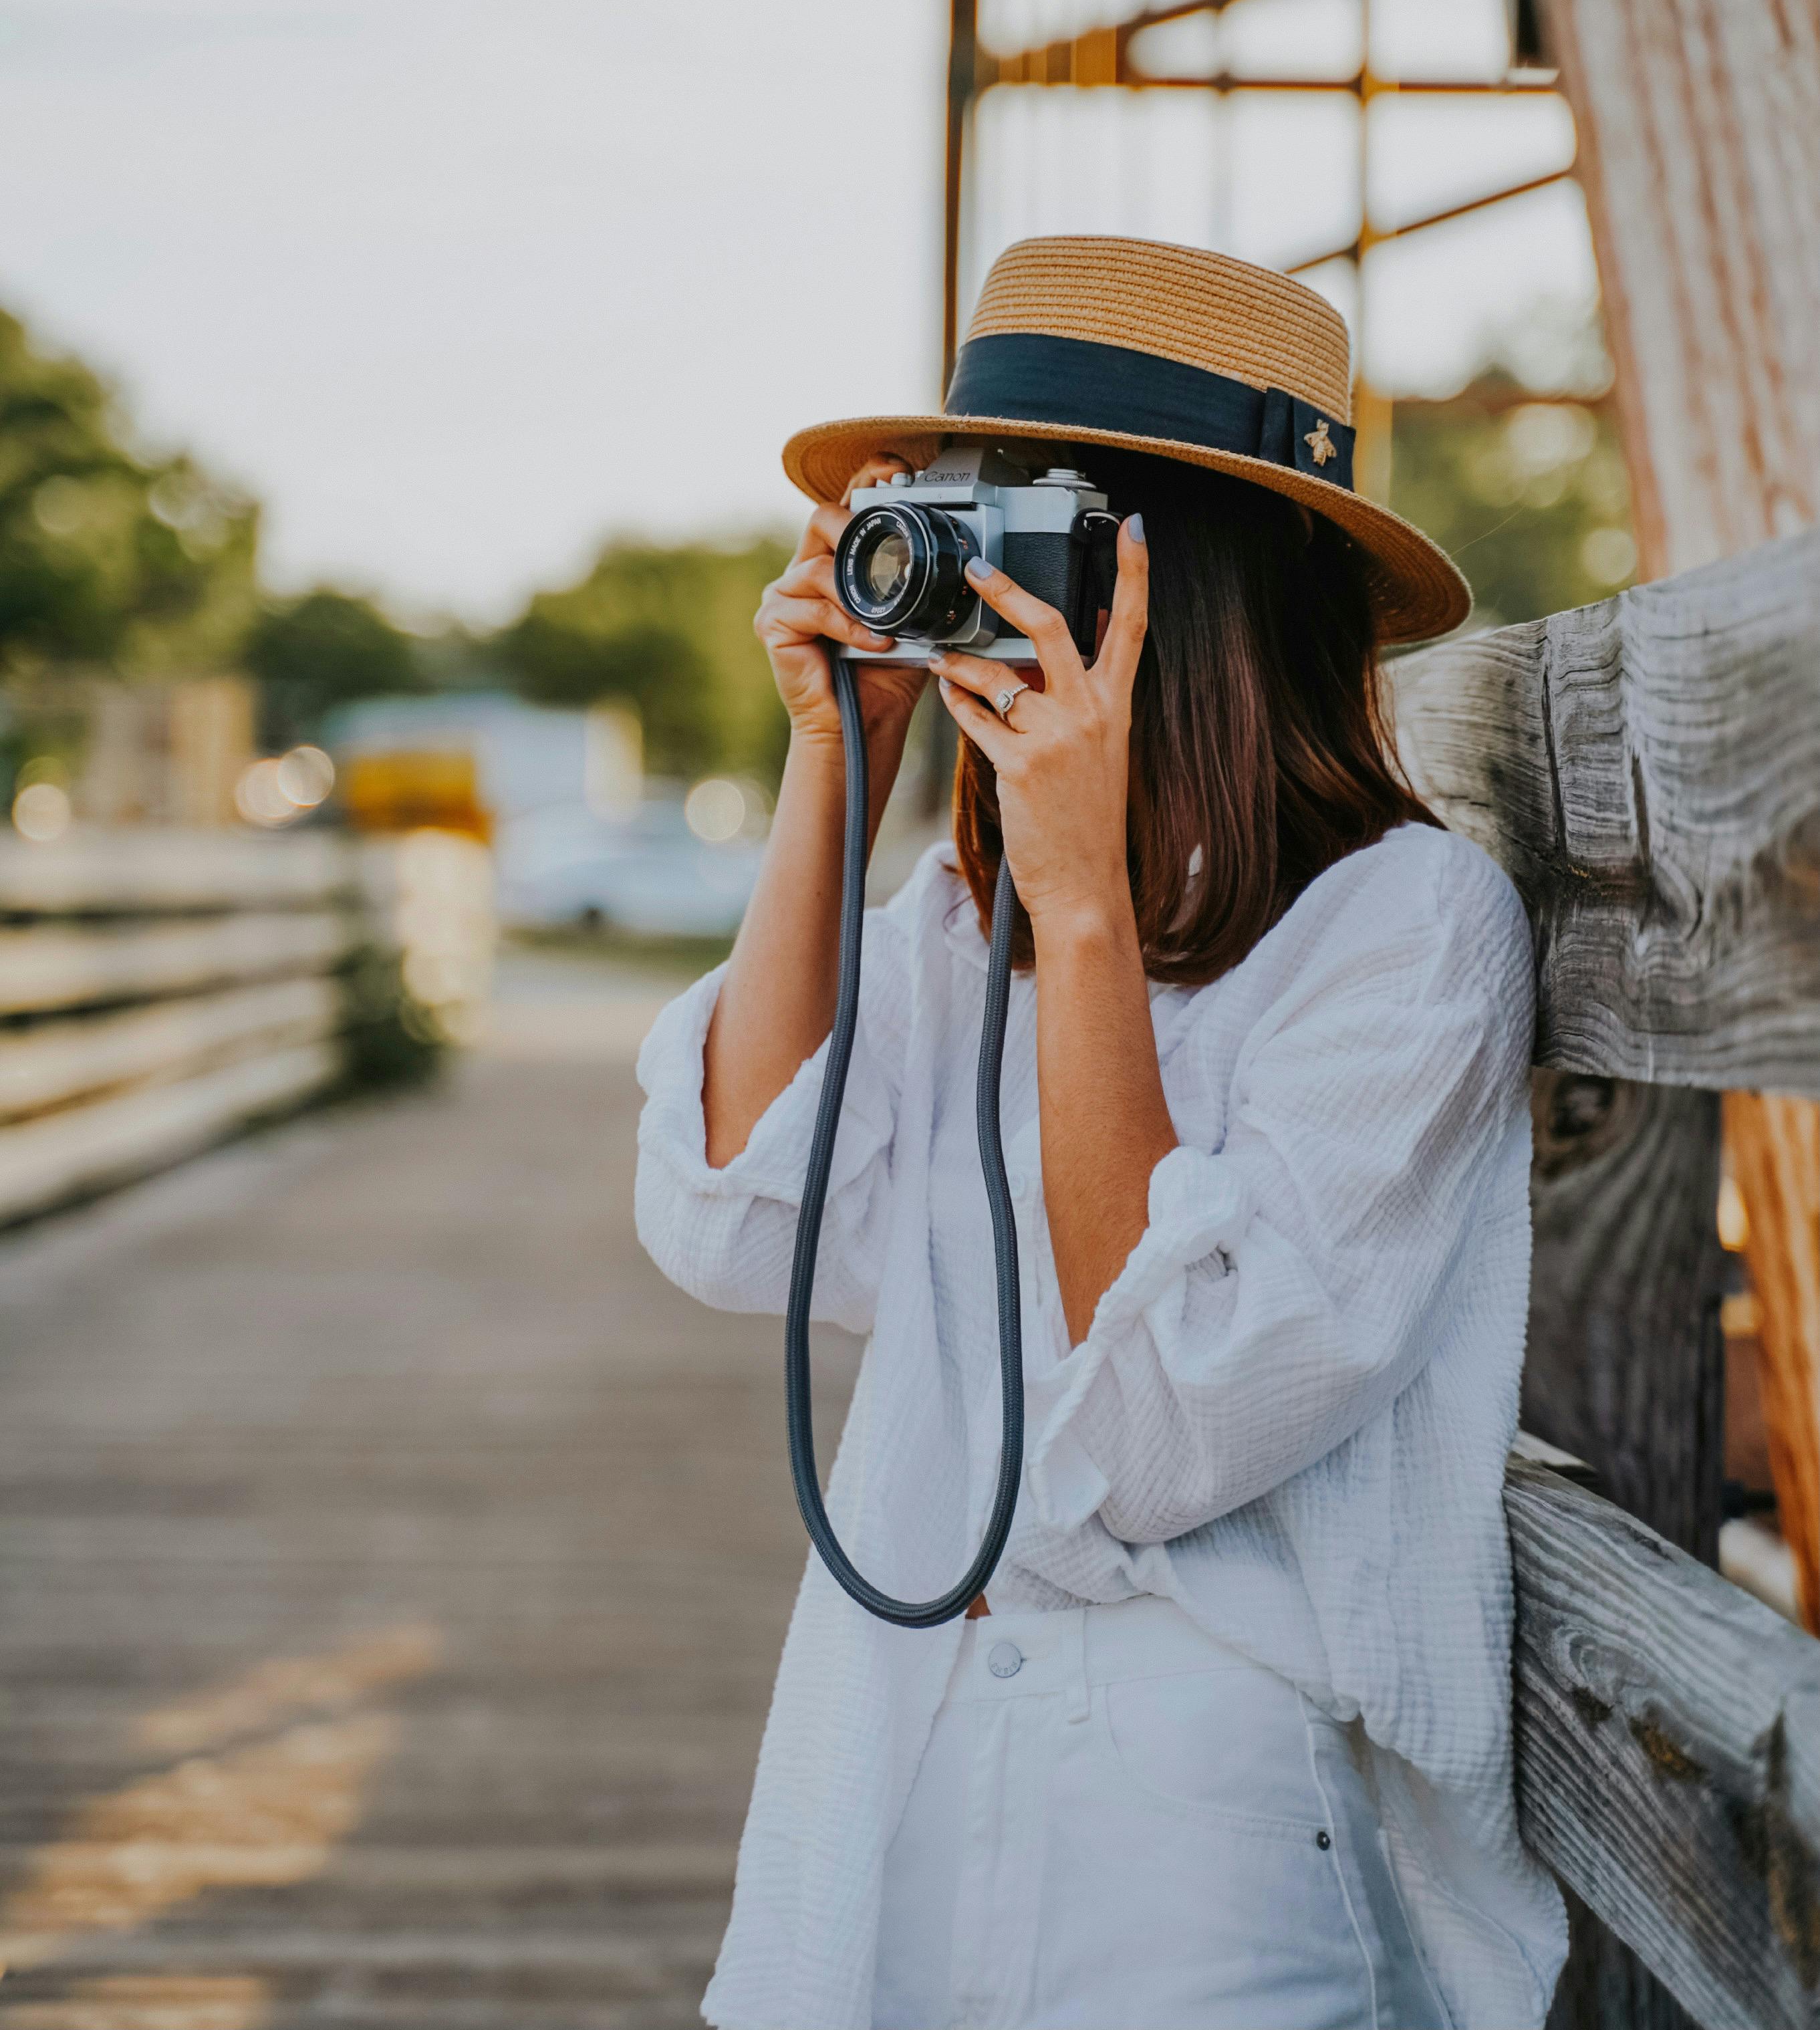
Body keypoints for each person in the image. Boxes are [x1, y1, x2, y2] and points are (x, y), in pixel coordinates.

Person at [635, 237, 1568, 2030]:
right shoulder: (961, 914)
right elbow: (740, 1224)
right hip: (892, 1745)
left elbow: (1159, 1429)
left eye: (1013, 526)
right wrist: (843, 749)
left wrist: (1076, 911)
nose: (965, 569)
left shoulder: (1408, 931)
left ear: (1176, 576)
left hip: (1204, 1815)